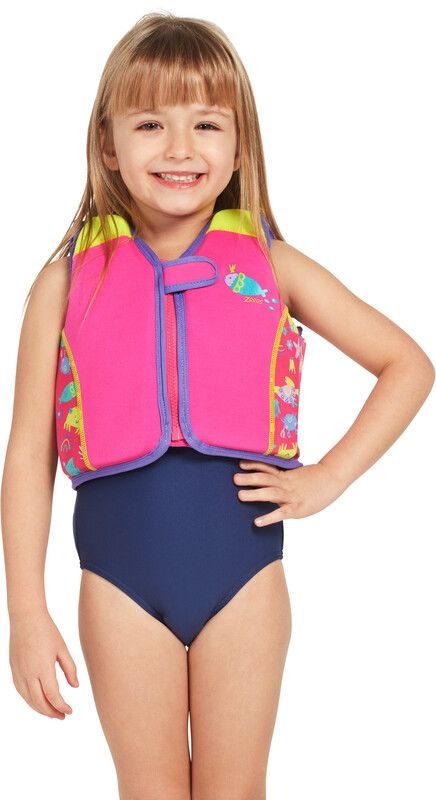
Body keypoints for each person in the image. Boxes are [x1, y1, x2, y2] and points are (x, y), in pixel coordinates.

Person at [1, 10, 434, 800]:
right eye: (150, 123)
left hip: (245, 578)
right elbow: (29, 453)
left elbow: (407, 364)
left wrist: (327, 478)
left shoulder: (274, 264)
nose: (179, 147)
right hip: (118, 584)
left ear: (239, 148)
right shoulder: (64, 282)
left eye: (206, 124)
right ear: (108, 144)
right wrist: (25, 612)